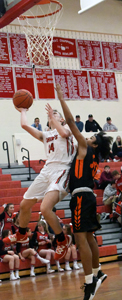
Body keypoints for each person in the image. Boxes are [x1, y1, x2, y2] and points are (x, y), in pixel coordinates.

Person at [56, 83, 113, 300]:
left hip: (81, 196)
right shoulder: (94, 156)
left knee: (81, 239)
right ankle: (97, 274)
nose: (88, 137)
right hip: (86, 195)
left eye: (92, 138)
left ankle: (89, 283)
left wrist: (62, 98)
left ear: (95, 145)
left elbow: (71, 123)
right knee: (89, 238)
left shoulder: (85, 147)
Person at [12, 102, 75, 262]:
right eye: (50, 115)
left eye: (55, 114)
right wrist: (23, 110)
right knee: (24, 205)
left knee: (45, 208)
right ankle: (21, 233)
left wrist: (53, 118)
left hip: (62, 170)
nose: (51, 116)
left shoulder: (68, 130)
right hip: (46, 170)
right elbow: (25, 125)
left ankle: (62, 239)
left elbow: (62, 132)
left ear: (62, 119)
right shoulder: (47, 135)